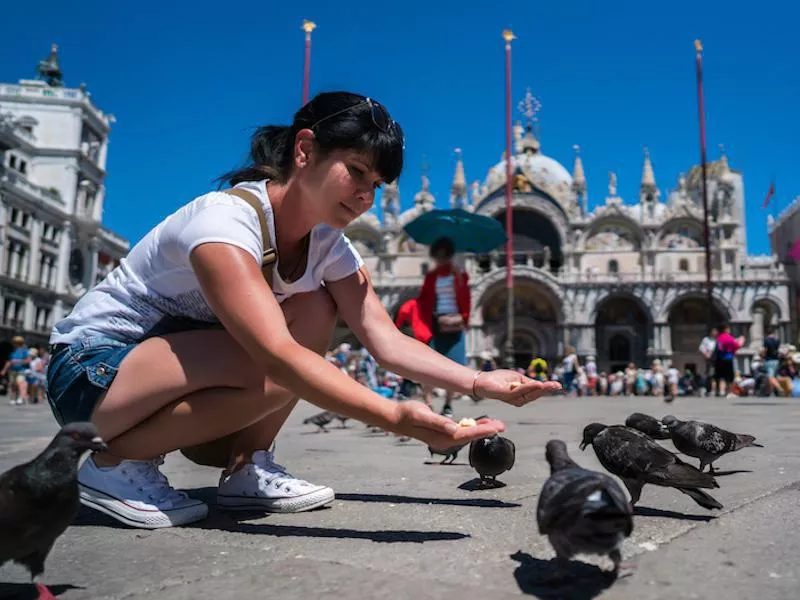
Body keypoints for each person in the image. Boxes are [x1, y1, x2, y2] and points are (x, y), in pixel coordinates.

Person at [45, 91, 560, 530]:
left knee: (316, 303)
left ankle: (247, 467)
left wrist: (477, 381)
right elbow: (277, 357)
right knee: (279, 354)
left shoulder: (329, 247)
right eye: (356, 171)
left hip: (169, 383)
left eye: (376, 186)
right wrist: (398, 417)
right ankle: (110, 465)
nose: (365, 196)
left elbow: (384, 338)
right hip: (91, 377)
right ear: (306, 149)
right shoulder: (224, 223)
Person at [415, 236, 472, 417]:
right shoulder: (431, 277)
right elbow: (423, 299)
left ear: (449, 255)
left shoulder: (460, 275)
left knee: (454, 367)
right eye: (438, 256)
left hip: (455, 325)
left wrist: (464, 318)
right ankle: (428, 402)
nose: (441, 260)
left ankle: (448, 404)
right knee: (427, 366)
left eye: (444, 256)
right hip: (435, 324)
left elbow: (466, 299)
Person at [713, 323, 745, 397]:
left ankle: (718, 391)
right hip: (727, 359)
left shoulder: (719, 338)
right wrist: (741, 341)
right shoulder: (728, 337)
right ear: (725, 329)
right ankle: (728, 391)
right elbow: (736, 346)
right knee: (729, 377)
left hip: (719, 359)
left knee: (719, 376)